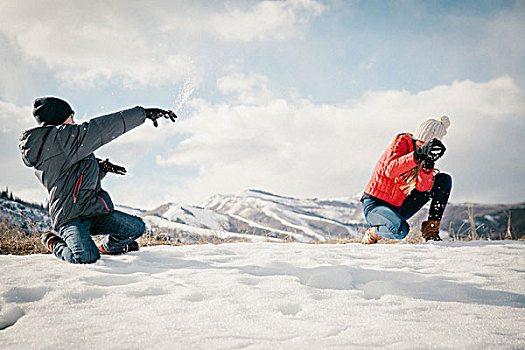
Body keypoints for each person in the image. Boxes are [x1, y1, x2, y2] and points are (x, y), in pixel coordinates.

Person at [19, 97, 177, 263]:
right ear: (57, 120)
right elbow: (100, 129)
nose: (74, 120)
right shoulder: (60, 139)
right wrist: (142, 114)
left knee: (136, 227)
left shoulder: (60, 144)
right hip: (70, 218)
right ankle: (53, 242)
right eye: (71, 115)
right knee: (85, 257)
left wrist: (101, 168)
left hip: (93, 211)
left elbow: (73, 175)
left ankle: (108, 247)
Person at [360, 116, 452, 244]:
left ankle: (431, 232)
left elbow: (423, 188)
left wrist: (428, 164)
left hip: (399, 207)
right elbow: (391, 171)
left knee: (443, 180)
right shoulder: (401, 142)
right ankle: (373, 232)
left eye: (427, 145)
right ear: (416, 137)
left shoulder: (424, 156)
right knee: (400, 230)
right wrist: (418, 155)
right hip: (375, 205)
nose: (423, 146)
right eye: (421, 142)